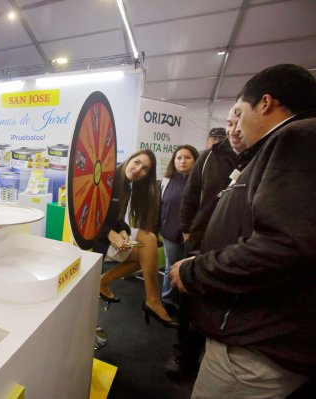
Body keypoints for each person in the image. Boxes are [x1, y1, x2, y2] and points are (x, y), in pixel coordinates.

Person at [170, 64, 316, 398]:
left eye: (239, 112)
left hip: (253, 348)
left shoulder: (298, 138)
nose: (234, 125)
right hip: (259, 337)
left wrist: (194, 270)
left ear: (265, 103)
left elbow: (282, 246)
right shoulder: (278, 145)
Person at [165, 105, 246, 379]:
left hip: (237, 247)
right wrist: (188, 233)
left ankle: (208, 358)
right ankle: (182, 358)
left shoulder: (259, 157)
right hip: (201, 243)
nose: (234, 129)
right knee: (189, 304)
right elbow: (191, 196)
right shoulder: (210, 156)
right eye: (230, 122)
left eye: (239, 122)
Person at [93, 149, 178, 329]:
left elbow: (116, 218)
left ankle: (105, 282)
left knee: (148, 245)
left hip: (111, 233)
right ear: (130, 158)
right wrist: (110, 233)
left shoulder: (126, 185)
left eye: (145, 169)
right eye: (137, 162)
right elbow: (91, 215)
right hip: (96, 237)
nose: (138, 169)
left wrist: (123, 230)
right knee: (148, 245)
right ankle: (153, 301)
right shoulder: (108, 178)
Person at [158, 145, 198, 312]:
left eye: (187, 157)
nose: (182, 161)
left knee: (189, 269)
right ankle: (167, 300)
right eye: (178, 157)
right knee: (171, 266)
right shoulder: (166, 181)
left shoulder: (201, 181)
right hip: (170, 234)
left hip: (193, 235)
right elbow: (160, 207)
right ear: (173, 161)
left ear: (196, 160)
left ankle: (185, 302)